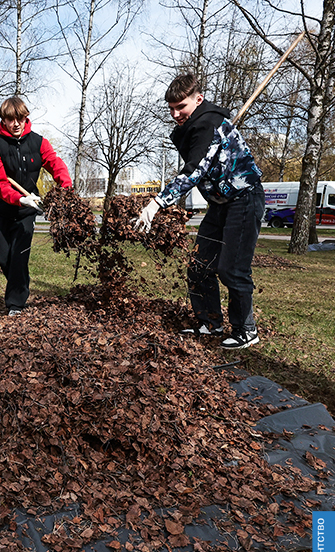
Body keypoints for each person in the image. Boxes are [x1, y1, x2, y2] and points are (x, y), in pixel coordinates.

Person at [134, 73, 264, 350]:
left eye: (181, 107)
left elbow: (193, 172)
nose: (175, 114)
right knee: (199, 266)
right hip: (219, 204)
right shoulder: (202, 126)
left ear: (199, 99)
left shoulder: (208, 123)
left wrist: (157, 202)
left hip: (244, 199)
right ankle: (210, 321)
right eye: (171, 108)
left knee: (231, 269)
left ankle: (246, 329)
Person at [0, 96, 72, 315]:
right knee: (3, 255)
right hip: (2, 208)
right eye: (10, 119)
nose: (16, 124)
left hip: (27, 210)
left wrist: (66, 187)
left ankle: (15, 304)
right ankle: (20, 281)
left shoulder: (39, 142)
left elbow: (55, 164)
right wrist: (19, 197)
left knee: (19, 254)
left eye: (20, 118)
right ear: (3, 120)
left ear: (26, 118)